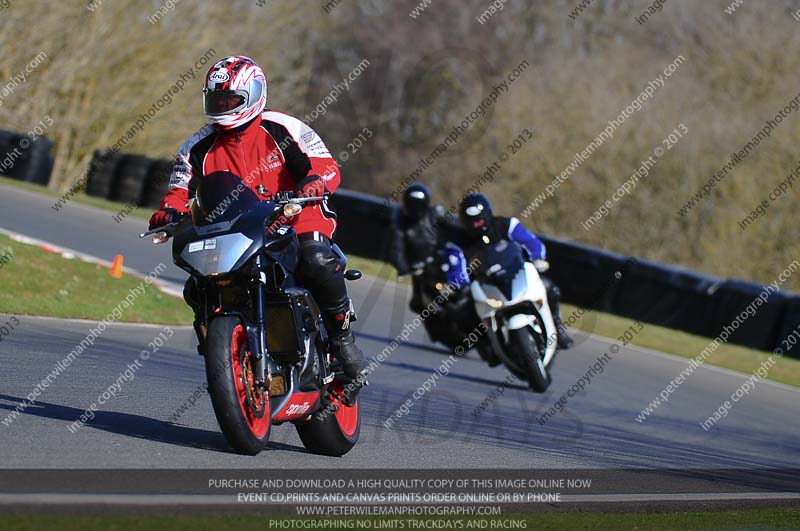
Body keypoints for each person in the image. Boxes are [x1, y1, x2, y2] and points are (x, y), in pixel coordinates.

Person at [148, 55, 368, 383]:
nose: (222, 107)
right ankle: (222, 350)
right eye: (216, 100)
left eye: (230, 100)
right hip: (236, 227)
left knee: (316, 260)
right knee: (199, 285)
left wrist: (314, 182)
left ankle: (341, 339)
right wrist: (168, 211)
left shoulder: (283, 127)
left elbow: (325, 166)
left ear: (254, 94)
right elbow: (179, 189)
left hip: (295, 215)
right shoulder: (195, 147)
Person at [458, 193, 574, 350]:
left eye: (479, 220)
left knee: (550, 288)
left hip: (518, 274)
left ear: (487, 214)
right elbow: (458, 264)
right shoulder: (462, 241)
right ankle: (488, 346)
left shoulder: (506, 225)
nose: (476, 225)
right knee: (467, 312)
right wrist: (461, 282)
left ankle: (557, 327)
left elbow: (531, 241)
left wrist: (537, 258)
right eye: (472, 222)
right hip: (487, 285)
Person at [388, 183, 467, 313]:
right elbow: (396, 248)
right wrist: (404, 268)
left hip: (442, 258)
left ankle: (463, 294)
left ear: (426, 205)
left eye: (418, 206)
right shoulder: (401, 221)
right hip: (418, 267)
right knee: (417, 304)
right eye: (412, 206)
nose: (415, 210)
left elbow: (456, 228)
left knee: (460, 282)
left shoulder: (436, 213)